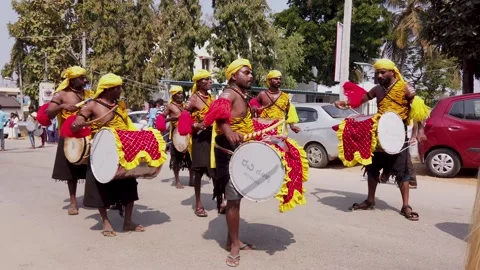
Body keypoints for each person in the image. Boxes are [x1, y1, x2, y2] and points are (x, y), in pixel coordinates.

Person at [334, 58, 424, 221]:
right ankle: (370, 200)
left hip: (397, 136)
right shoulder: (377, 90)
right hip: (378, 136)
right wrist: (345, 103)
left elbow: (418, 110)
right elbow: (361, 100)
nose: (380, 76)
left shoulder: (405, 88)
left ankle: (405, 205)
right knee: (372, 168)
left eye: (383, 73)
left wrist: (419, 132)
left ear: (392, 72)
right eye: (378, 73)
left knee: (402, 172)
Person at [71, 73, 146, 237]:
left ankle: (128, 222)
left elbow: (128, 125)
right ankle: (106, 222)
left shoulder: (120, 105)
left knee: (129, 186)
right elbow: (76, 124)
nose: (120, 90)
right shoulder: (91, 106)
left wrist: (140, 139)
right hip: (100, 152)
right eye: (117, 88)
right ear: (107, 89)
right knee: (100, 188)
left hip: (122, 150)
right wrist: (78, 124)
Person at [204, 59, 256, 267]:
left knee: (237, 198)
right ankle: (234, 246)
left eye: (251, 72)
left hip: (241, 149)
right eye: (246, 72)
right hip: (228, 149)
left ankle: (230, 239)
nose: (251, 75)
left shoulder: (242, 95)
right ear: (234, 76)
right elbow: (219, 116)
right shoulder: (228, 94)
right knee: (233, 199)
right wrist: (229, 132)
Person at [45, 66, 92, 215]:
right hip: (70, 135)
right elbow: (49, 112)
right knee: (71, 171)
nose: (84, 81)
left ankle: (98, 198)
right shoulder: (61, 95)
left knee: (94, 168)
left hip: (88, 134)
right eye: (81, 78)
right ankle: (73, 203)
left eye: (84, 78)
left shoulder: (88, 94)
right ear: (72, 80)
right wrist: (64, 106)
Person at [181, 69, 216, 217]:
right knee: (198, 171)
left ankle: (220, 200)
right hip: (199, 139)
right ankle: (198, 204)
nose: (210, 82)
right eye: (206, 79)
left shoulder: (212, 97)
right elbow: (184, 116)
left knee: (216, 170)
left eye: (210, 79)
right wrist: (195, 125)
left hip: (212, 137)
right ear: (199, 82)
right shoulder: (194, 98)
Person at [162, 86, 192, 189]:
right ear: (173, 95)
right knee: (176, 159)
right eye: (178, 93)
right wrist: (172, 118)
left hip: (187, 133)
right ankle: (177, 180)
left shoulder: (185, 105)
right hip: (176, 135)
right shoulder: (170, 106)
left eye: (181, 93)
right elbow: (162, 118)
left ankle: (191, 179)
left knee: (190, 158)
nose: (181, 95)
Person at [253, 70, 301, 134]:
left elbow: (289, 111)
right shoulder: (262, 94)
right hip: (264, 128)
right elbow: (254, 104)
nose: (278, 81)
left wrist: (292, 126)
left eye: (280, 79)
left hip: (279, 128)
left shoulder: (285, 96)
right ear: (269, 80)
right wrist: (255, 107)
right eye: (276, 79)